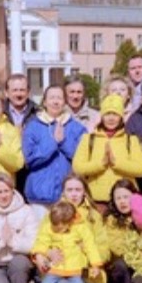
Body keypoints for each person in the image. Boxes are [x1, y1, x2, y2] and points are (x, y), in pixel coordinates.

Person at [47, 174, 113, 283]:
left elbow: (105, 250)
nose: (74, 194)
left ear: (85, 192)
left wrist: (89, 253)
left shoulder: (94, 216)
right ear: (63, 193)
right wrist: (50, 253)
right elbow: (44, 242)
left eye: (78, 189)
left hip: (89, 275)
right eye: (70, 190)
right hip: (64, 273)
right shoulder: (53, 215)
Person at [31, 200, 103, 283]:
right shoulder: (49, 227)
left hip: (75, 269)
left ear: (69, 221)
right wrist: (41, 254)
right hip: (56, 268)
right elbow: (41, 242)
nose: (56, 228)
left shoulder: (81, 228)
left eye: (59, 226)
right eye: (54, 225)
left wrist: (95, 264)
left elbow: (90, 246)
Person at [22, 84, 87, 219]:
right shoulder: (33, 126)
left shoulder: (76, 127)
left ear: (64, 102)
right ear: (44, 102)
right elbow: (30, 159)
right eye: (52, 98)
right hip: (40, 194)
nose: (56, 101)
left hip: (67, 194)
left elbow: (81, 157)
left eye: (59, 98)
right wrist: (53, 143)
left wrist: (63, 142)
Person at [72, 94, 142, 206]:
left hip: (124, 201)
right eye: (107, 114)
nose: (111, 118)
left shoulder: (131, 140)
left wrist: (116, 163)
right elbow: (77, 167)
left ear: (121, 117)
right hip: (96, 200)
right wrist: (100, 164)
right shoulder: (88, 139)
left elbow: (141, 170)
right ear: (101, 116)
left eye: (115, 114)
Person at [103, 179, 139, 283]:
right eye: (118, 198)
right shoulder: (111, 220)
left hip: (140, 261)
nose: (122, 202)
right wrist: (138, 251)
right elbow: (116, 247)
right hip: (120, 265)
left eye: (126, 197)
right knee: (121, 265)